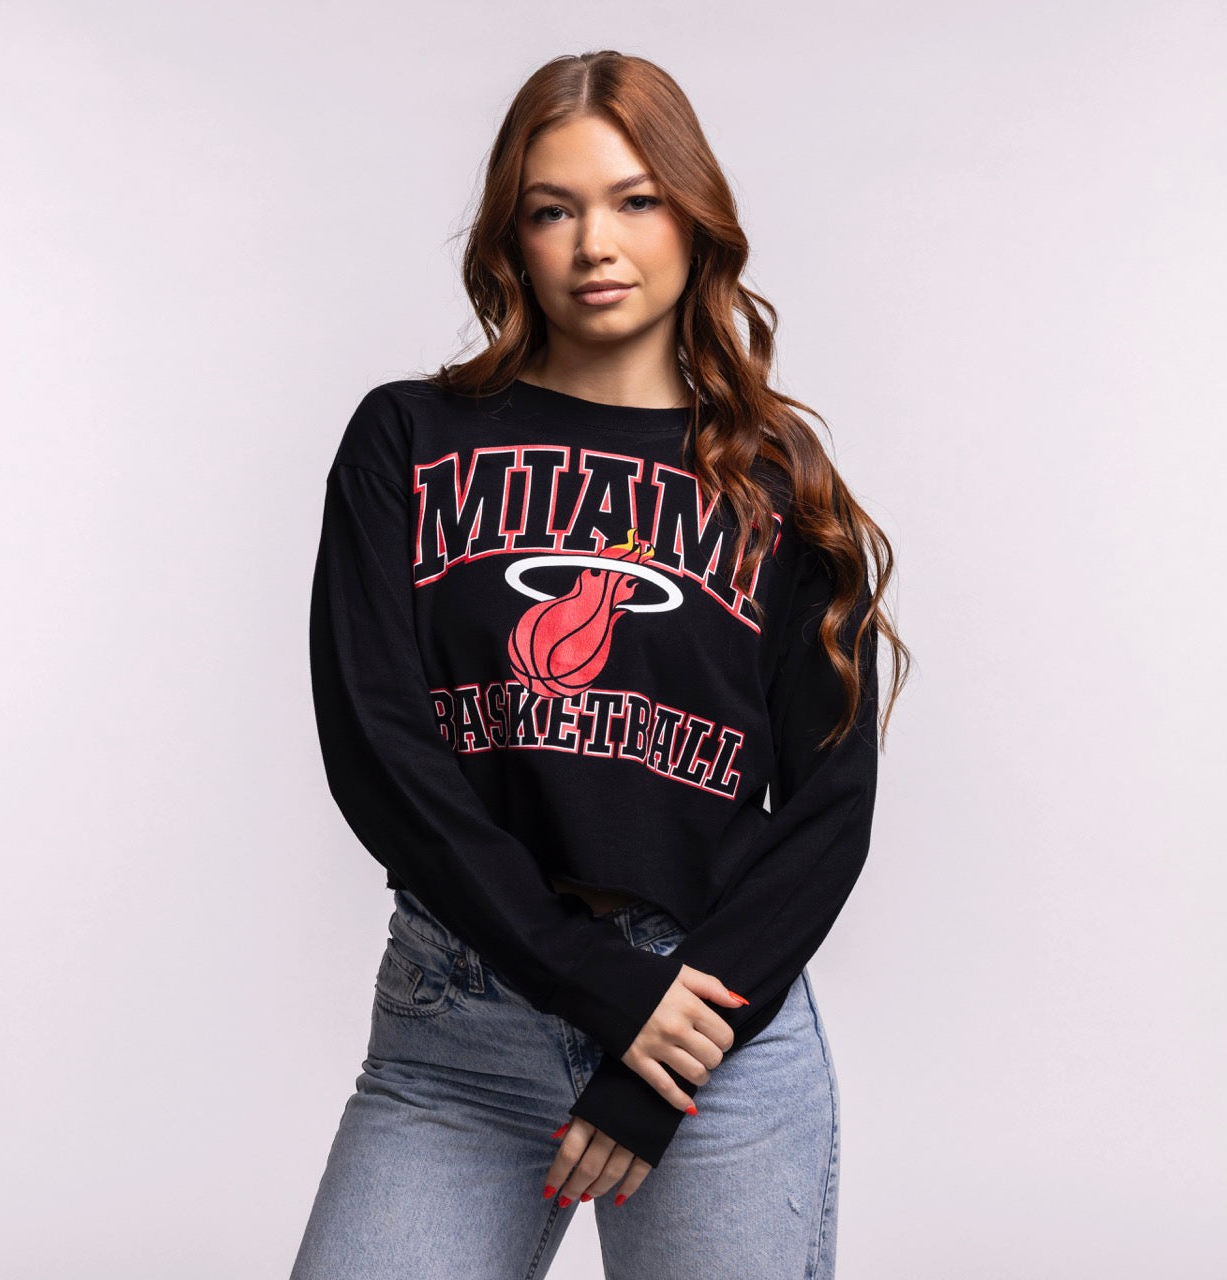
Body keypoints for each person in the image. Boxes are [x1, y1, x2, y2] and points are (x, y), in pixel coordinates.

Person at [290, 48, 910, 1280]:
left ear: (693, 218)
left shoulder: (776, 482)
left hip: (709, 1028)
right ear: (511, 238)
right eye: (551, 207)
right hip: (461, 1022)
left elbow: (828, 810)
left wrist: (659, 1060)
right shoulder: (406, 439)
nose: (595, 244)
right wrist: (588, 979)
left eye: (634, 200)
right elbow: (377, 739)